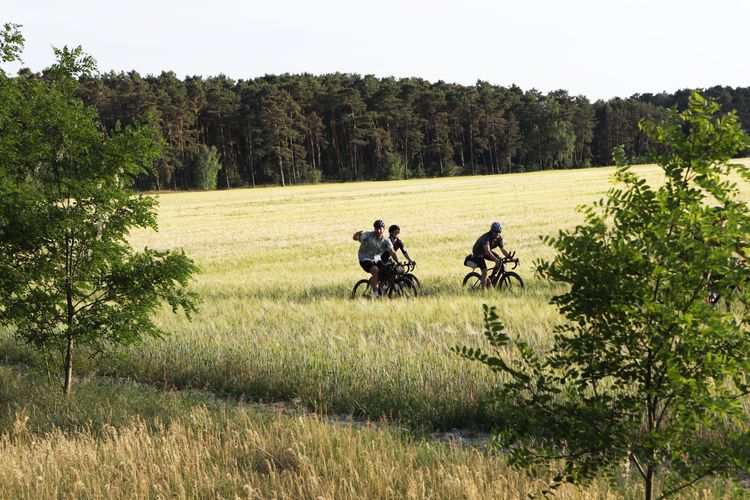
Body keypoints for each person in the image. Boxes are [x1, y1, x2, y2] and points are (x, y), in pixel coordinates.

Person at [353, 220, 400, 297]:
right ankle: (376, 294)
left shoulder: (386, 240)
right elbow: (356, 238)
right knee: (375, 269)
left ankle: (380, 287)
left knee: (388, 268)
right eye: (376, 228)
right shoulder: (368, 235)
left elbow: (393, 252)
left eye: (380, 228)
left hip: (376, 259)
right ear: (374, 229)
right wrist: (357, 234)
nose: (378, 231)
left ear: (384, 229)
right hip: (365, 258)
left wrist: (399, 261)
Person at [470, 221, 517, 287]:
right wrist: (495, 260)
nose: (497, 234)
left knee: (500, 260)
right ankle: (483, 290)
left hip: (486, 251)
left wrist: (511, 258)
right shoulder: (486, 237)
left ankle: (491, 278)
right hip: (478, 252)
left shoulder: (499, 238)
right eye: (495, 232)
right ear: (491, 231)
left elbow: (503, 249)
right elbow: (487, 251)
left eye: (499, 232)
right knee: (484, 271)